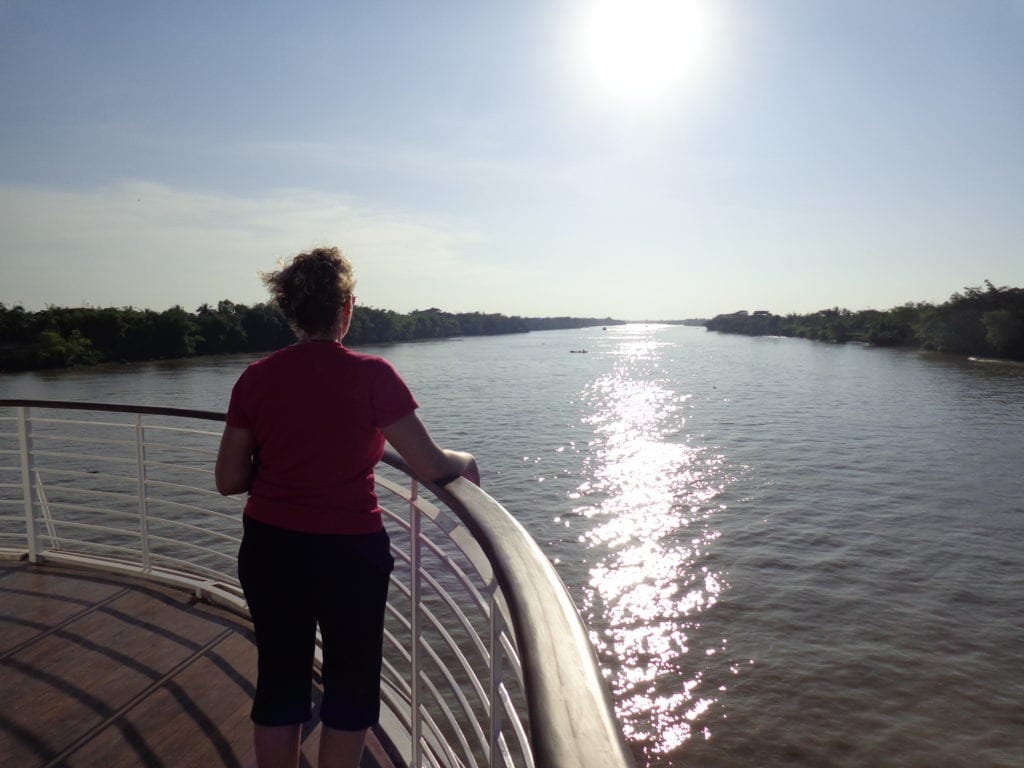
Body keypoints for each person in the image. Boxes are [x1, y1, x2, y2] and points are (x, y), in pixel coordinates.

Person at [215, 246, 478, 768]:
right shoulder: (373, 375)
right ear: (347, 307)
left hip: (270, 547)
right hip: (349, 554)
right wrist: (465, 459)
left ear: (289, 311)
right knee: (350, 688)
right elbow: (428, 464)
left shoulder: (256, 378)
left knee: (280, 683)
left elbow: (227, 480)